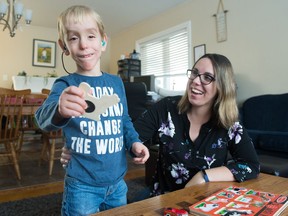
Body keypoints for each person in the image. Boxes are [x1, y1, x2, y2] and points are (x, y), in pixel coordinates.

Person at [61, 53, 260, 199]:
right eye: (194, 73)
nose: (196, 82)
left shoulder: (229, 123)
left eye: (207, 77)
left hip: (205, 201)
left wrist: (204, 176)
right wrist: (82, 148)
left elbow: (250, 165)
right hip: (162, 197)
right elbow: (127, 138)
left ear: (222, 86)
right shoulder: (167, 108)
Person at [35, 5, 149, 215]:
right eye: (73, 38)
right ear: (64, 46)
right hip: (81, 185)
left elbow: (124, 120)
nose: (84, 44)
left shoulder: (116, 82)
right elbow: (41, 120)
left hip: (118, 183)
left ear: (103, 41)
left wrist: (134, 141)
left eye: (90, 36)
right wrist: (59, 109)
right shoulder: (65, 84)